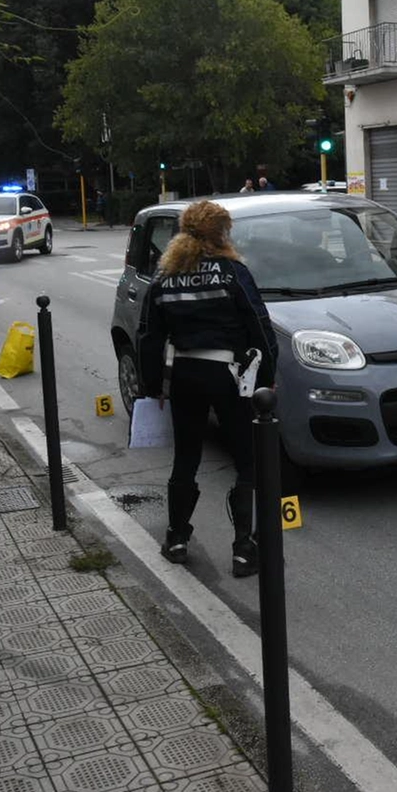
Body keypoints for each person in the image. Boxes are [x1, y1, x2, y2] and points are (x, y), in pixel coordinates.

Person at [138, 201, 279, 577]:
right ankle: (244, 549)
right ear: (221, 233)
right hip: (228, 376)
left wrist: (152, 386)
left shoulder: (165, 277)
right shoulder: (233, 273)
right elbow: (260, 326)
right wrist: (266, 379)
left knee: (186, 457)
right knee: (246, 459)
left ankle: (177, 538)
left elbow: (149, 336)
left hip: (184, 375)